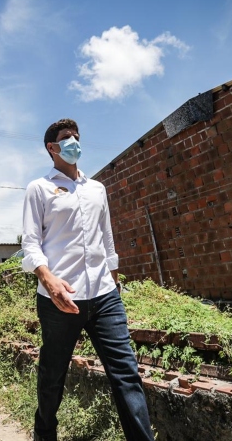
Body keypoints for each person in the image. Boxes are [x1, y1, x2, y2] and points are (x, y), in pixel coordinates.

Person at [21, 119, 154, 441]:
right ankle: (45, 434)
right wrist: (49, 280)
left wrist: (115, 282)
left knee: (126, 374)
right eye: (66, 138)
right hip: (59, 298)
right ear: (52, 148)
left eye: (77, 137)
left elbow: (107, 239)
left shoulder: (97, 189)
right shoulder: (39, 188)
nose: (74, 142)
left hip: (104, 295)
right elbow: (30, 243)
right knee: (53, 374)